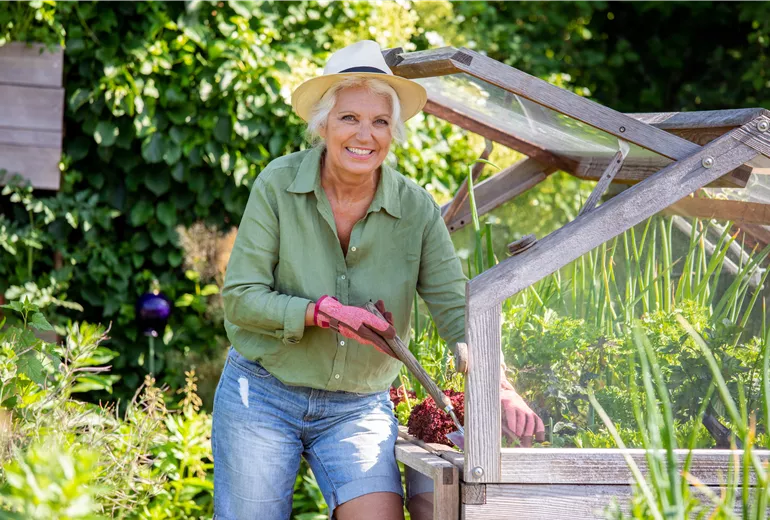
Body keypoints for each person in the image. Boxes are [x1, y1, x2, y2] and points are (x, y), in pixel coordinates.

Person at [211, 40, 544, 520]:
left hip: (357, 405)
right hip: (263, 392)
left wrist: (499, 385)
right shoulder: (277, 186)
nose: (364, 134)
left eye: (380, 121)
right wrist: (319, 311)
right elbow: (241, 299)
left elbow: (456, 311)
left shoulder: (415, 209)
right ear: (322, 125)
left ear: (393, 132)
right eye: (349, 118)